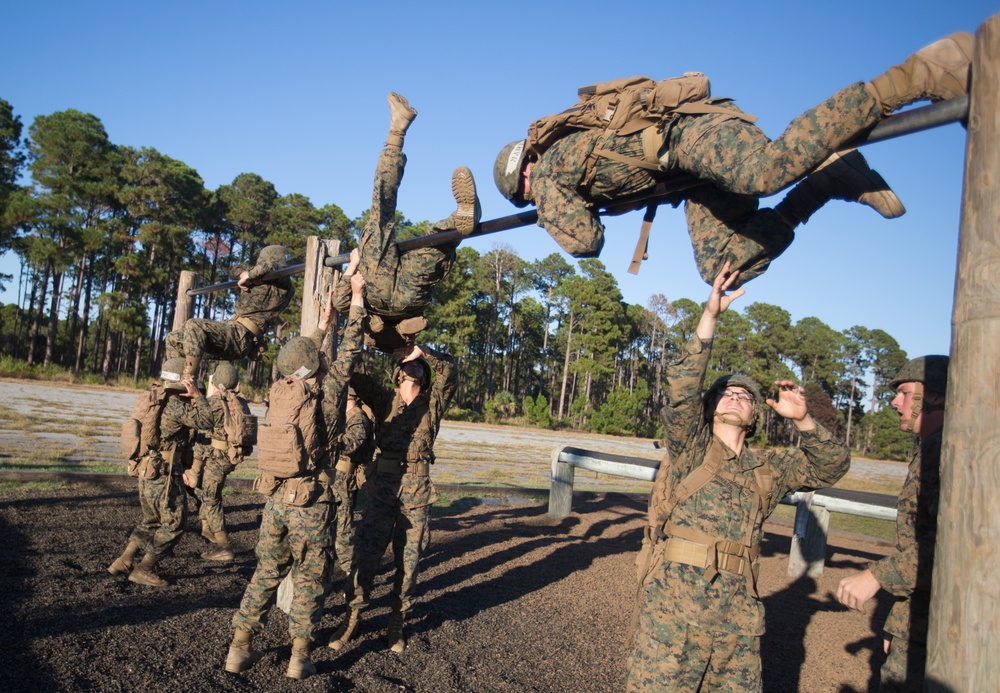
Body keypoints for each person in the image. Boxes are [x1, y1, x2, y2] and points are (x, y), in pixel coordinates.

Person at [494, 33, 973, 285]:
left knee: (763, 171)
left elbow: (584, 241)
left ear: (526, 173)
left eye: (526, 196)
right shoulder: (567, 165)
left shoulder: (552, 169)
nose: (533, 201)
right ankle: (825, 183)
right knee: (722, 269)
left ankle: (913, 76)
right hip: (689, 177)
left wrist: (547, 216)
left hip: (688, 134)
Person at [627, 262, 850, 691]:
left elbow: (831, 465)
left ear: (754, 415)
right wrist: (709, 317)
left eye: (745, 396)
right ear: (711, 408)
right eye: (726, 393)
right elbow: (681, 390)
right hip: (673, 614)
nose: (736, 397)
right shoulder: (690, 449)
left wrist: (804, 421)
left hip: (739, 624)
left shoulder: (768, 468)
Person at [225, 272, 366, 680]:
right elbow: (351, 350)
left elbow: (303, 358)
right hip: (311, 504)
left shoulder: (280, 389)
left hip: (275, 500)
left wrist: (323, 324)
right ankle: (299, 656)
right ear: (318, 365)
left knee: (265, 573)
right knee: (308, 578)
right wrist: (355, 299)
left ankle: (239, 647)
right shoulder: (329, 394)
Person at [329, 343, 458, 653]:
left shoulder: (433, 403)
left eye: (416, 367)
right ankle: (351, 619)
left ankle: (396, 624)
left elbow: (450, 370)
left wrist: (421, 351)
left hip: (416, 492)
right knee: (366, 557)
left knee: (408, 563)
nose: (410, 368)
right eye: (405, 366)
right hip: (381, 490)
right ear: (397, 375)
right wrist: (364, 340)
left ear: (424, 377)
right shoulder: (384, 399)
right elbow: (356, 375)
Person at [332, 92, 481, 352]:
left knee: (434, 248)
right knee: (382, 215)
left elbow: (339, 303)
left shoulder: (392, 349)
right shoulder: (389, 351)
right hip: (378, 292)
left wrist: (352, 273)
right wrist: (353, 267)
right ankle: (395, 135)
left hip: (406, 301)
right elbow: (339, 300)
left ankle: (459, 222)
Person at [836, 355, 948, 692]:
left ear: (936, 395)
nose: (895, 403)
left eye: (903, 392)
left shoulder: (953, 451)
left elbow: (954, 546)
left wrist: (876, 575)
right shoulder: (929, 448)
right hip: (922, 621)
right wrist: (900, 626)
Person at [108, 358, 215, 587]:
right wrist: (198, 396)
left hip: (147, 470)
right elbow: (207, 421)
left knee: (151, 521)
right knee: (175, 525)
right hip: (164, 475)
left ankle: (124, 560)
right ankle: (143, 569)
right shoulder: (175, 404)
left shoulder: (153, 397)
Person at [166, 244, 295, 378]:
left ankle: (188, 380)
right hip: (232, 330)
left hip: (243, 336)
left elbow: (272, 267)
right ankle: (175, 382)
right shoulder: (258, 276)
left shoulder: (283, 286)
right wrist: (243, 274)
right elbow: (233, 269)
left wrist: (250, 275)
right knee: (173, 339)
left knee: (194, 325)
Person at [188, 362, 251, 562]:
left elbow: (199, 426)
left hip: (217, 457)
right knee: (208, 491)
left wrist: (198, 397)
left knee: (211, 496)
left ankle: (224, 546)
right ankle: (208, 527)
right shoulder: (240, 402)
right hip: (230, 456)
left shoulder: (216, 402)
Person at [327, 385, 374, 600]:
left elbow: (352, 445)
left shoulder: (357, 418)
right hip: (334, 479)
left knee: (343, 531)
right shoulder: (344, 416)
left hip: (344, 481)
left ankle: (350, 579)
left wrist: (330, 439)